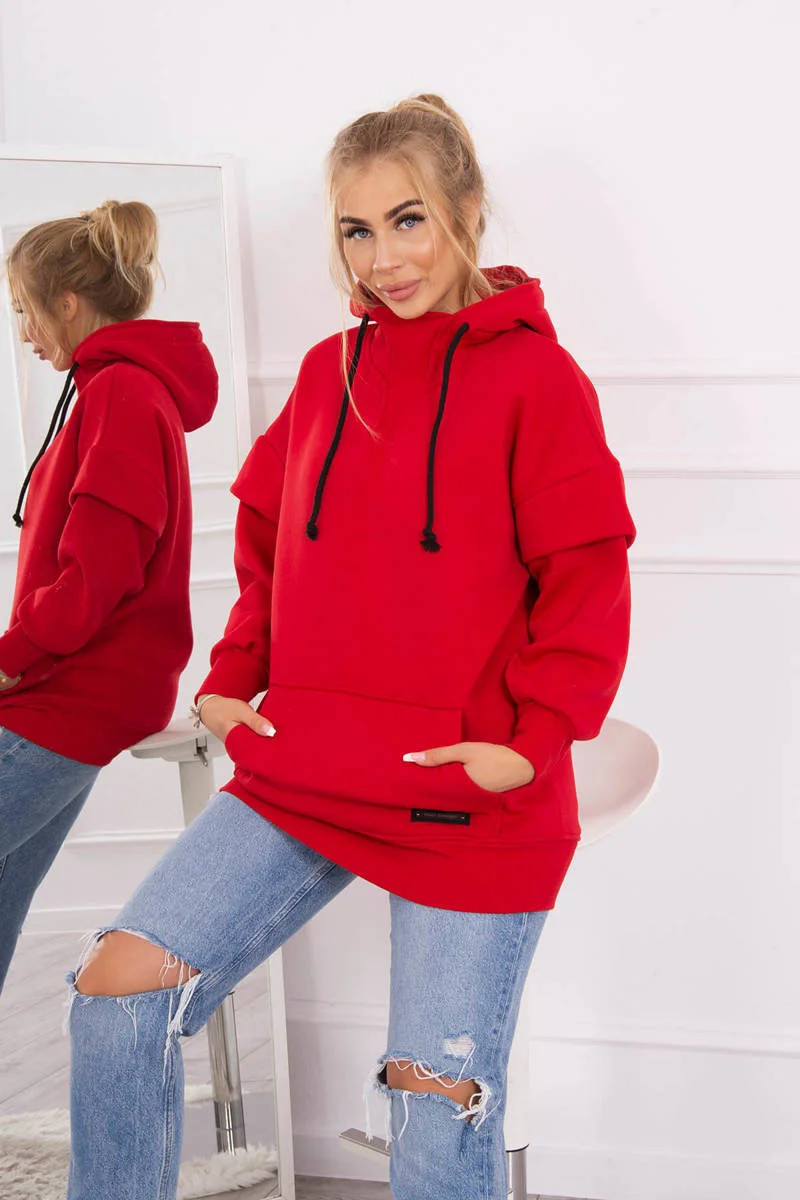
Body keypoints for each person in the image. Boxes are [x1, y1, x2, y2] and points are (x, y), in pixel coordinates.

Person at [69, 97, 636, 1200]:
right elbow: (268, 542)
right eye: (357, 230)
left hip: (465, 802)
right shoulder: (330, 371)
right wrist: (233, 677)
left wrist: (527, 745)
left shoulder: (536, 381)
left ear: (467, 210)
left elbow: (585, 574)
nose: (384, 258)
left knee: (431, 1116)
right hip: (306, 771)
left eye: (409, 220)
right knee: (115, 994)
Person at [0, 200, 218, 991]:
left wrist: (11, 658)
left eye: (24, 308)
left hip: (71, 691)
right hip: (77, 688)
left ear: (66, 302)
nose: (24, 331)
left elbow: (98, 575)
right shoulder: (110, 389)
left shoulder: (122, 393)